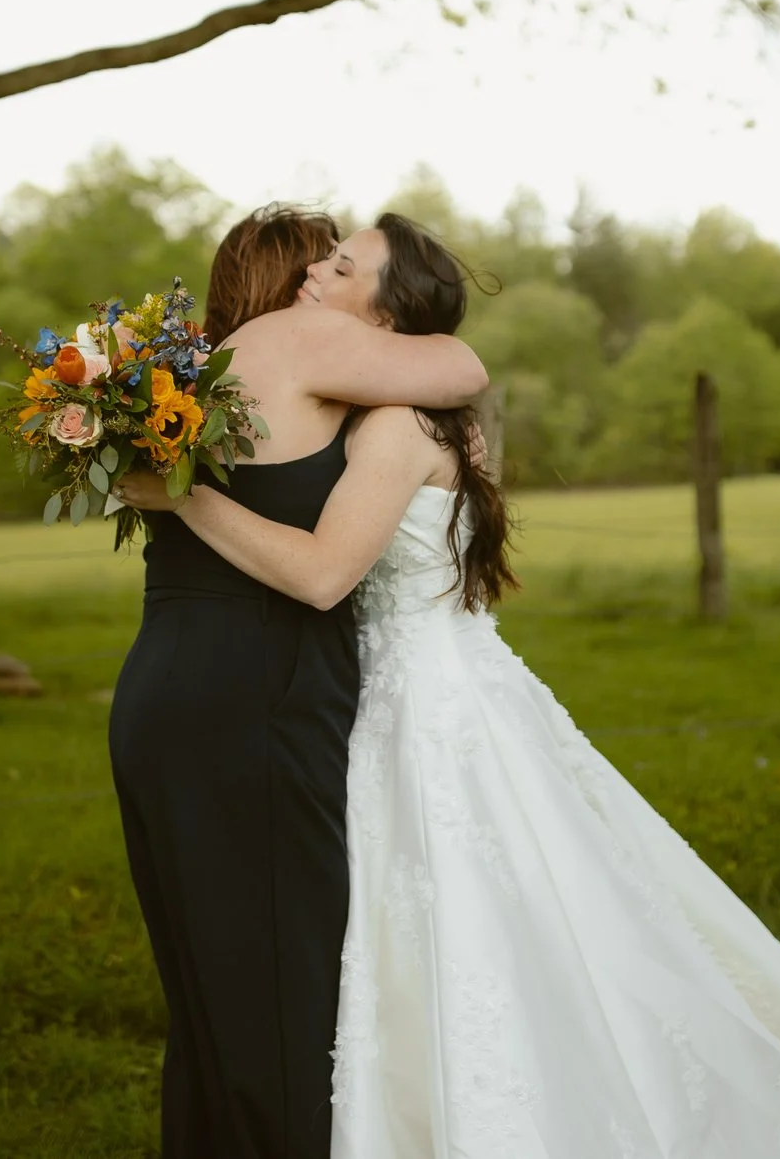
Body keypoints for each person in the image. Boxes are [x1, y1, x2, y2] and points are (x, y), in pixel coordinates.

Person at [119, 214, 780, 1159]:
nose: (316, 276)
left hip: (419, 706)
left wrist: (183, 490)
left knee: (462, 917)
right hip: (415, 689)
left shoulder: (392, 425)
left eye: (342, 267)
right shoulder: (402, 416)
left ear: (386, 320)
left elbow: (324, 573)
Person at [107, 204, 490, 1159]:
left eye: (342, 267)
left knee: (206, 1002)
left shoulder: (191, 377)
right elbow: (463, 367)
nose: (324, 279)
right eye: (323, 263)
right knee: (281, 999)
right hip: (257, 696)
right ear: (292, 281)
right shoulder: (302, 338)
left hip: (161, 688)